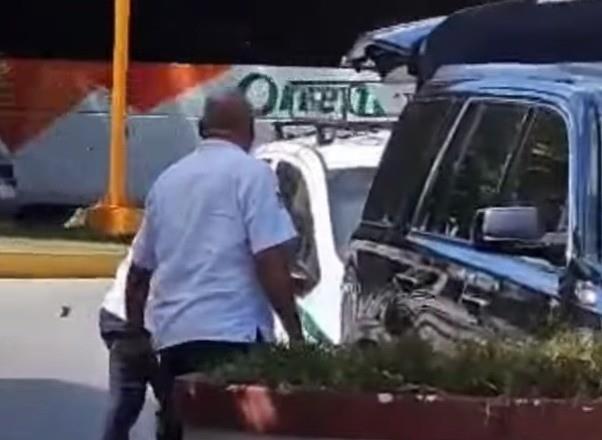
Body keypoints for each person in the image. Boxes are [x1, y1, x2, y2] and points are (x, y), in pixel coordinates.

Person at [124, 88, 303, 440]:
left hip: (175, 339)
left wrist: (138, 340)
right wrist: (294, 332)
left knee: (180, 428)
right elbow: (268, 259)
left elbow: (138, 274)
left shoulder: (167, 181)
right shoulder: (253, 175)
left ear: (202, 127)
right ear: (248, 130)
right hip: (232, 337)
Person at [99, 249, 162, 440]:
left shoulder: (157, 224)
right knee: (179, 406)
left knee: (124, 404)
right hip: (144, 322)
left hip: (118, 316)